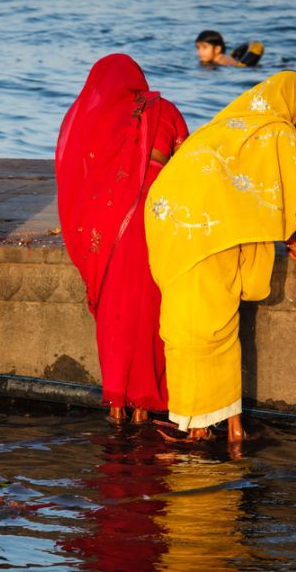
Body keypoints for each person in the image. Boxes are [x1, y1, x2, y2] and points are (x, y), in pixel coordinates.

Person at [144, 70, 296, 442]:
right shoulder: (277, 130)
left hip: (169, 222)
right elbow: (276, 195)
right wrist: (294, 238)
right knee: (213, 331)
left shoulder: (225, 124)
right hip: (205, 232)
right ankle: (209, 429)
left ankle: (201, 424)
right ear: (293, 105)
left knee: (183, 326)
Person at [55, 54, 189, 424]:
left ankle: (116, 408)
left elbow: (75, 177)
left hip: (104, 234)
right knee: (147, 315)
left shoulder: (86, 118)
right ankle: (145, 409)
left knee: (114, 319)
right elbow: (187, 167)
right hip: (152, 226)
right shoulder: (165, 110)